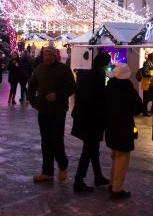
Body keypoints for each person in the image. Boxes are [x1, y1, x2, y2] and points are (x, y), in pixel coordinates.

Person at [28, 46, 76, 183]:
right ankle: (47, 171)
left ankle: (63, 164)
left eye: (50, 55)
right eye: (45, 55)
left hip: (58, 110)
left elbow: (72, 87)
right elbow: (31, 85)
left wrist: (57, 95)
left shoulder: (63, 69)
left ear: (55, 56)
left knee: (56, 140)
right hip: (43, 110)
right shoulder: (40, 69)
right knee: (45, 141)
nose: (47, 57)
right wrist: (33, 102)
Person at [71, 52, 111, 192]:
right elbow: (99, 98)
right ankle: (78, 180)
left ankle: (98, 176)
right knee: (88, 150)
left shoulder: (87, 75)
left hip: (83, 117)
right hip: (92, 119)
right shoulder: (98, 77)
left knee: (93, 149)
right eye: (108, 63)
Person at [104, 63, 143, 199]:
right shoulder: (128, 90)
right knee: (122, 157)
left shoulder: (109, 88)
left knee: (115, 155)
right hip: (124, 127)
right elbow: (138, 108)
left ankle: (112, 182)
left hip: (110, 127)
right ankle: (117, 188)